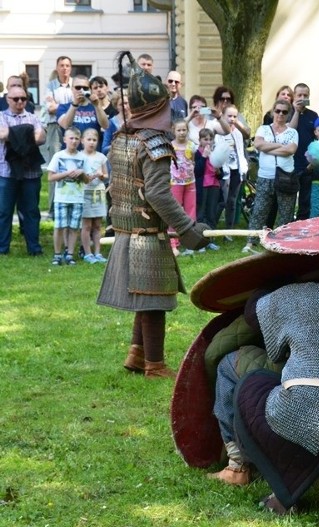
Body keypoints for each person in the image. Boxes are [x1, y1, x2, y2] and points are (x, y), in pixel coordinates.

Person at [215, 282, 319, 514]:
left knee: (233, 368)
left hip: (306, 427)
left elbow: (258, 324)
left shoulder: (291, 293)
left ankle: (237, 467)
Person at [96, 51, 210, 378]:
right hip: (146, 236)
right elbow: (160, 194)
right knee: (154, 302)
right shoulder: (154, 144)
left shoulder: (122, 138)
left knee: (144, 299)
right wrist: (187, 228)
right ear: (156, 107)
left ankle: (136, 353)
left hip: (127, 231)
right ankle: (155, 365)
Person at [243, 98, 298, 254]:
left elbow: (291, 150)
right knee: (260, 209)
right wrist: (281, 146)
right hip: (265, 176)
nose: (280, 114)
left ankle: (282, 242)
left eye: (284, 112)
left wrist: (269, 148)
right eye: (278, 111)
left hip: (286, 176)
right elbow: (259, 145)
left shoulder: (292, 132)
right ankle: (251, 242)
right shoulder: (263, 129)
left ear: (288, 115)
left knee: (286, 212)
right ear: (273, 111)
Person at [0, 84, 45, 256]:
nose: (20, 102)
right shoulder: (1, 116)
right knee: (4, 212)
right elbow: (1, 134)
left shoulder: (33, 117)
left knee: (32, 212)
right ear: (7, 99)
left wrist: (12, 135)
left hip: (31, 172)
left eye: (23, 99)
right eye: (16, 99)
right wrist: (27, 133)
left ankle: (34, 248)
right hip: (6, 172)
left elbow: (40, 138)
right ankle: (2, 249)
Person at [46, 127, 85, 265]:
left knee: (74, 227)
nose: (74, 141)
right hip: (61, 197)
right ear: (64, 140)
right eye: (71, 138)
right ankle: (57, 254)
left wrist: (82, 173)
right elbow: (50, 177)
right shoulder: (58, 156)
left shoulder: (82, 157)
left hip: (77, 198)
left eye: (76, 139)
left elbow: (87, 180)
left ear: (80, 141)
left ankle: (70, 253)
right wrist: (66, 174)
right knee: (60, 226)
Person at [42, 56, 73, 217]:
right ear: (57, 67)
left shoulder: (76, 84)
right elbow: (50, 108)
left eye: (67, 65)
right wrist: (70, 107)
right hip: (55, 128)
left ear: (71, 68)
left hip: (73, 128)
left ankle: (71, 205)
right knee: (55, 164)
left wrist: (59, 106)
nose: (65, 68)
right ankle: (53, 209)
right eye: (62, 65)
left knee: (73, 165)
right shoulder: (51, 86)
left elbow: (57, 107)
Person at [215, 104, 249, 238]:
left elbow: (240, 151)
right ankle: (212, 229)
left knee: (232, 201)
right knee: (222, 201)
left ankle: (229, 231)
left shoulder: (238, 133)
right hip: (224, 171)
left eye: (235, 116)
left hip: (237, 169)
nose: (232, 119)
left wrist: (243, 168)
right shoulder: (218, 132)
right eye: (229, 116)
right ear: (223, 116)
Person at [288, 83, 319, 220]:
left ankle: (301, 226)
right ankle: (287, 226)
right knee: (289, 200)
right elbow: (291, 131)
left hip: (307, 165)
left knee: (305, 201)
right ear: (294, 96)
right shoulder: (286, 113)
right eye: (299, 95)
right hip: (290, 164)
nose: (302, 98)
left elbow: (317, 139)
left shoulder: (313, 115)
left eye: (305, 95)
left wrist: (313, 161)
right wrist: (296, 111)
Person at [79, 128, 108, 263]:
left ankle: (98, 252)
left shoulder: (101, 157)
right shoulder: (79, 156)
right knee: (86, 225)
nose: (91, 143)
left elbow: (106, 174)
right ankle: (87, 253)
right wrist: (87, 177)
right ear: (82, 141)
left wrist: (101, 176)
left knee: (97, 224)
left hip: (99, 193)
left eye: (94, 140)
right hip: (85, 193)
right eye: (89, 139)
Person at [169, 119, 197, 256]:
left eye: (184, 130)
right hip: (175, 183)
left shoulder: (192, 146)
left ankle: (190, 243)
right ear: (173, 131)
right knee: (175, 211)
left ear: (187, 131)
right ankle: (173, 244)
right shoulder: (170, 146)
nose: (181, 133)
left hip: (190, 182)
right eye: (178, 130)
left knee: (190, 212)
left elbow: (193, 161)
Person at [57, 75, 110, 148]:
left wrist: (97, 106)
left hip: (92, 153)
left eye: (85, 88)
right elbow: (65, 125)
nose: (81, 90)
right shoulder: (64, 107)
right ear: (72, 89)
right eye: (78, 87)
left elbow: (106, 126)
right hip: (71, 153)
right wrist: (75, 105)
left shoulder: (95, 106)